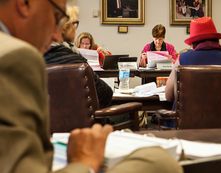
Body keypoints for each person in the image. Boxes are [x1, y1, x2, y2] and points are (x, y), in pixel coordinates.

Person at [0, 1, 183, 173]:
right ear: (24, 3)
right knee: (160, 161)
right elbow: (105, 93)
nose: (57, 35)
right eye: (56, 16)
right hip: (81, 142)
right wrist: (84, 162)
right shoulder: (16, 56)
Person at [44, 7, 113, 108]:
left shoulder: (36, 56)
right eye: (75, 24)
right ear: (67, 27)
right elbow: (105, 94)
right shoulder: (76, 61)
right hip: (80, 121)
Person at [165, 17, 221, 102]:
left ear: (193, 44)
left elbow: (169, 95)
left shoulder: (182, 59)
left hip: (191, 115)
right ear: (217, 40)